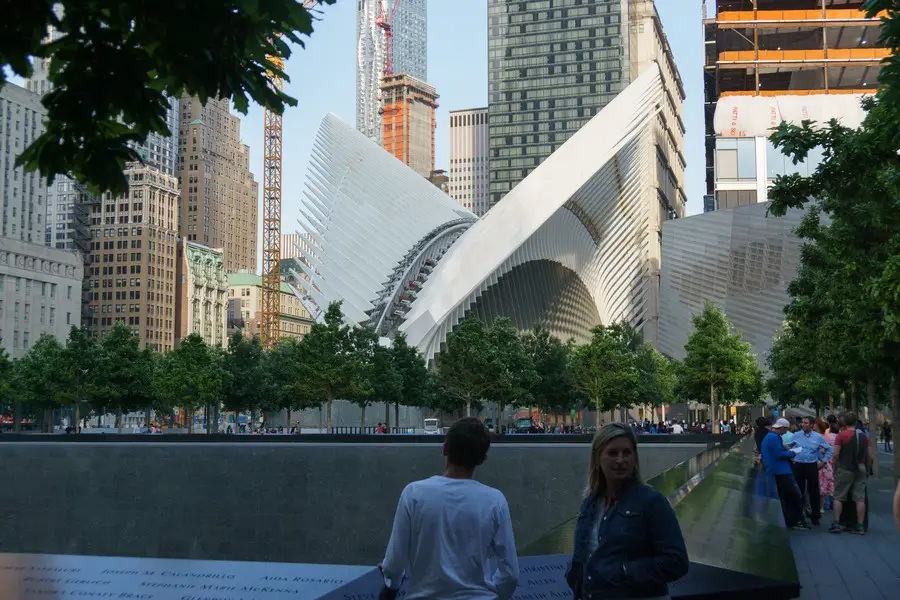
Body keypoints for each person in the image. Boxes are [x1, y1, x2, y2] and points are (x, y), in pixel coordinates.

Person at [379, 417, 518, 600]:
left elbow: (394, 565)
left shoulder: (414, 494)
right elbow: (511, 574)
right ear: (482, 459)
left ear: (445, 449)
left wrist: (392, 586)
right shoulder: (494, 500)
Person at [566, 423, 688, 599]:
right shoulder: (590, 504)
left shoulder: (651, 502)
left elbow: (677, 562)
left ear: (635, 458)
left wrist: (623, 571)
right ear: (597, 458)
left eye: (627, 453)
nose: (621, 460)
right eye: (613, 453)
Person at [762, 418, 808, 530]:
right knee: (794, 495)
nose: (786, 432)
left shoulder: (770, 436)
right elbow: (779, 455)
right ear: (782, 428)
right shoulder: (773, 437)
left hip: (776, 470)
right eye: (786, 430)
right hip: (781, 471)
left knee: (788, 496)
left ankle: (791, 519)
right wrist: (793, 452)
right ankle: (795, 520)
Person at [830, 412, 870, 535]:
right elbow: (870, 456)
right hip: (861, 467)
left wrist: (834, 467)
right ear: (856, 422)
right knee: (859, 498)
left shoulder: (841, 435)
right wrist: (867, 470)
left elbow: (836, 454)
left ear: (845, 422)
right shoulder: (864, 436)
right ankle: (860, 525)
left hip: (845, 468)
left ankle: (837, 523)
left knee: (839, 496)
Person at [789, 417, 832, 527]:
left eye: (806, 423)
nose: (803, 424)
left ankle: (815, 516)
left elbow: (828, 449)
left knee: (814, 491)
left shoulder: (817, 437)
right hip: (798, 465)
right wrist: (791, 457)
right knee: (799, 491)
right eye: (802, 422)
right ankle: (799, 515)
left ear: (812, 425)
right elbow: (788, 447)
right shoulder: (796, 435)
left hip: (812, 466)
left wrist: (823, 461)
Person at [816, 419, 836, 514]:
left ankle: (819, 506)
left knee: (818, 484)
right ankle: (824, 506)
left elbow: (822, 450)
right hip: (827, 463)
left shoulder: (816, 437)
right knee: (825, 485)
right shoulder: (829, 437)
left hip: (818, 462)